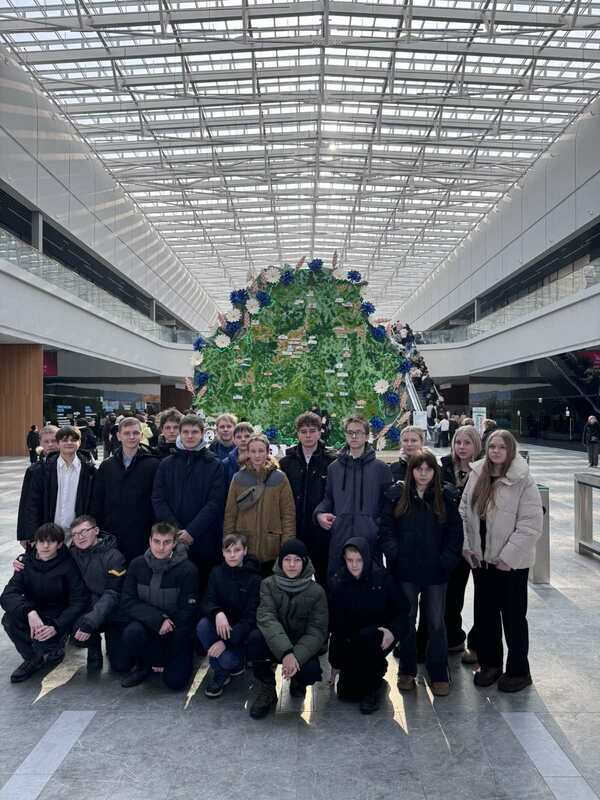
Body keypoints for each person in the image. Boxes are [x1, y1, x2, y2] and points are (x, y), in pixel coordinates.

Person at [460, 429, 543, 693]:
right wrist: (467, 547)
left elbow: (530, 524)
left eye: (501, 447)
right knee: (486, 617)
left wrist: (508, 558)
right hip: (482, 561)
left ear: (511, 450)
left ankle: (519, 671)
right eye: (492, 446)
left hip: (510, 566)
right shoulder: (477, 474)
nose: (495, 451)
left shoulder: (523, 481)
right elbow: (464, 511)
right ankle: (490, 664)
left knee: (513, 618)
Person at [379, 451, 463, 697]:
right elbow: (386, 528)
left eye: (428, 469)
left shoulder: (445, 498)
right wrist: (395, 554)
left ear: (435, 472)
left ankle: (438, 671)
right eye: (418, 469)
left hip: (436, 571)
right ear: (411, 471)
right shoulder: (398, 496)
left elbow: (455, 532)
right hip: (406, 570)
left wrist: (447, 561)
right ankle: (406, 670)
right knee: (407, 620)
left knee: (436, 622)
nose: (423, 474)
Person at [247, 539, 328, 719]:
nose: (292, 564)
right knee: (254, 640)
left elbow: (317, 631)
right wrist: (286, 653)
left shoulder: (317, 592)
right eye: (287, 559)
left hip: (301, 646)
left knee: (311, 671)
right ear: (280, 561)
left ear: (304, 562)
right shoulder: (268, 584)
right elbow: (267, 618)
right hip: (276, 644)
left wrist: (295, 656)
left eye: (297, 560)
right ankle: (267, 688)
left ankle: (298, 681)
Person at [1, 523, 89, 683]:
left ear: (60, 544)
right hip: (34, 614)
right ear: (35, 543)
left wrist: (57, 626)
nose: (45, 546)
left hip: (57, 617)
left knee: (50, 643)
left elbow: (79, 601)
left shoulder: (69, 565)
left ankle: (56, 646)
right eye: (41, 541)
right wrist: (29, 611)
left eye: (51, 541)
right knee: (8, 619)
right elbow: (8, 595)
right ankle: (33, 659)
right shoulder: (25, 563)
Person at [329, 538, 407, 714]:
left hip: (379, 637)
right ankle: (371, 673)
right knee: (346, 693)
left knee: (369, 638)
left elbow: (402, 612)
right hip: (352, 638)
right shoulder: (338, 581)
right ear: (344, 559)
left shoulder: (383, 578)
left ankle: (373, 686)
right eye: (350, 560)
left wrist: (393, 632)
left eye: (359, 560)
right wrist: (335, 662)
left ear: (366, 558)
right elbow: (335, 624)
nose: (354, 565)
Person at [117, 523, 198, 689]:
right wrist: (159, 619)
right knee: (132, 633)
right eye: (157, 541)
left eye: (167, 542)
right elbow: (127, 601)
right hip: (148, 627)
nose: (161, 547)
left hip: (176, 633)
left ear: (174, 543)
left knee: (175, 682)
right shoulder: (137, 565)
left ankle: (181, 657)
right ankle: (143, 664)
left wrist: (164, 655)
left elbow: (187, 613)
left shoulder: (188, 569)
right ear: (149, 541)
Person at [152, 414, 225, 590]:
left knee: (202, 587)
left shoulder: (215, 464)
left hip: (204, 538)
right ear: (180, 433)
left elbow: (215, 503)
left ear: (202, 434)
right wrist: (176, 529)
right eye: (185, 432)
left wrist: (192, 531)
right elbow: (158, 498)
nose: (190, 436)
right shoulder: (166, 464)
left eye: (194, 432)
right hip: (171, 537)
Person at [315, 415, 393, 581]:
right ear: (345, 435)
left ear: (366, 436)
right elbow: (328, 499)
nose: (354, 436)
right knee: (338, 584)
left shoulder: (381, 469)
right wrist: (319, 514)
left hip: (369, 538)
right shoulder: (334, 468)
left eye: (359, 432)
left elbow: (387, 505)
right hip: (340, 537)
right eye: (350, 432)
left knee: (371, 584)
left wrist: (376, 526)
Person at [437, 425, 483, 663]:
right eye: (458, 442)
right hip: (451, 542)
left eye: (467, 442)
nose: (462, 447)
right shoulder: (444, 468)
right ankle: (453, 637)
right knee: (452, 593)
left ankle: (478, 644)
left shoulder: (485, 471)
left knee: (483, 596)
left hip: (478, 541)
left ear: (476, 445)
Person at [196, 533, 261, 698]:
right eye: (228, 551)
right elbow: (207, 600)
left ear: (245, 551)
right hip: (220, 627)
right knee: (203, 625)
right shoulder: (216, 573)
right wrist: (217, 612)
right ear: (222, 553)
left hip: (239, 635)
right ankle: (220, 673)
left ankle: (235, 664)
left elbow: (251, 617)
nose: (232, 555)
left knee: (228, 660)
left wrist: (225, 642)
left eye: (237, 550)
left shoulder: (254, 579)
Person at [224, 433, 295, 576]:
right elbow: (230, 514)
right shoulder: (238, 478)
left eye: (261, 451)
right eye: (253, 451)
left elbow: (288, 514)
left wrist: (287, 545)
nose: (257, 455)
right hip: (245, 546)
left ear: (268, 452)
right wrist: (228, 543)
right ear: (248, 453)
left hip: (272, 547)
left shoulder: (279, 478)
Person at [279, 411, 337, 585]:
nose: (308, 435)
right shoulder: (286, 463)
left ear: (320, 432)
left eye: (312, 431)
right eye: (303, 431)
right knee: (294, 578)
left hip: (322, 531)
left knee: (324, 579)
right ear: (298, 434)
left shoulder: (332, 462)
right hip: (295, 529)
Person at [91, 417, 159, 563]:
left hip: (142, 531)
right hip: (111, 531)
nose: (131, 437)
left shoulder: (153, 464)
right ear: (118, 436)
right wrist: (97, 527)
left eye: (135, 433)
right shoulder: (107, 466)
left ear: (141, 435)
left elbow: (157, 499)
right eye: (127, 433)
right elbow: (98, 499)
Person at [18, 426, 96, 546]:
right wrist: (29, 535)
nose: (69, 443)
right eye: (64, 440)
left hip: (78, 537)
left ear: (79, 442)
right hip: (47, 536)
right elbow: (29, 505)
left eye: (73, 440)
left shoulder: (90, 471)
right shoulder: (38, 470)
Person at [68, 515, 127, 671]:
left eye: (84, 531)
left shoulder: (114, 556)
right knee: (77, 629)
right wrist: (23, 561)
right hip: (87, 608)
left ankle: (110, 640)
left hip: (113, 612)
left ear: (96, 531)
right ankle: (93, 645)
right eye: (74, 534)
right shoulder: (71, 555)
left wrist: (91, 621)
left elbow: (112, 594)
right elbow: (48, 560)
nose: (79, 537)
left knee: (121, 666)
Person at [16, 425, 59, 543]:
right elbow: (27, 504)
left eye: (54, 441)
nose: (50, 445)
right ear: (40, 443)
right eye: (46, 441)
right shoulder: (34, 470)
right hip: (42, 527)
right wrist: (26, 535)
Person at [222, 421, 254, 490]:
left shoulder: (260, 460)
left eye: (247, 436)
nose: (243, 439)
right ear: (234, 439)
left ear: (253, 438)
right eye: (239, 437)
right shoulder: (226, 464)